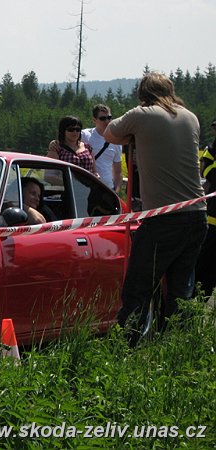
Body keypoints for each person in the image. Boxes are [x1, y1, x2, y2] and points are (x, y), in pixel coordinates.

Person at [103, 71, 207, 346]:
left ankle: (127, 347)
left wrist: (132, 136)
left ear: (143, 95)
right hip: (197, 214)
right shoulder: (190, 117)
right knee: (180, 291)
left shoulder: (142, 114)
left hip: (164, 218)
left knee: (138, 287)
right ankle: (176, 347)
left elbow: (109, 132)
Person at [194, 119, 216, 297]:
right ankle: (198, 300)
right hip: (213, 220)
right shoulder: (211, 150)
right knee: (205, 265)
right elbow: (208, 172)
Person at [80, 104, 122, 191]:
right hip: (86, 187)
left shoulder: (116, 141)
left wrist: (116, 192)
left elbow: (117, 171)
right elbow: (67, 142)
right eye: (102, 118)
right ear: (94, 120)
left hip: (107, 188)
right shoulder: (84, 135)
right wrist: (54, 144)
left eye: (109, 117)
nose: (107, 121)